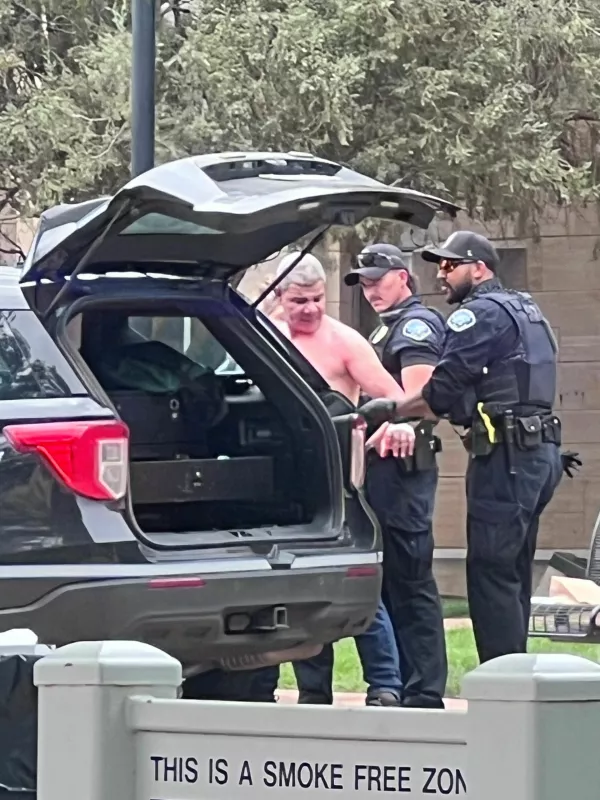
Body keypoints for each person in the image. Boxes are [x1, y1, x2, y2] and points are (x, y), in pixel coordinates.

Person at [384, 230, 564, 664]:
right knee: (513, 569)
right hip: (540, 453)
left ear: (479, 268)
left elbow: (442, 390)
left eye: (450, 265)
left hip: (507, 458)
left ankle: (501, 680)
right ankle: (516, 674)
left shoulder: (477, 314)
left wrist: (386, 410)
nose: (440, 274)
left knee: (490, 571)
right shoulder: (526, 308)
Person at [254, 250, 415, 706]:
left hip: (339, 483)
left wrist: (391, 429)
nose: (310, 309)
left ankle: (384, 685)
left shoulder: (345, 342)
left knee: (354, 581)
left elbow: (396, 400)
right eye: (298, 300)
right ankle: (311, 690)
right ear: (278, 296)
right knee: (293, 585)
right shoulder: (263, 337)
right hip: (282, 485)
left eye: (317, 299)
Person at [344, 243, 448, 709]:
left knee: (410, 580)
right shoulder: (386, 327)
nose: (370, 290)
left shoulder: (415, 325)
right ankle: (406, 685)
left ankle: (424, 692)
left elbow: (421, 399)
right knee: (388, 581)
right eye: (363, 283)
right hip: (382, 468)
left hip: (403, 469)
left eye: (377, 280)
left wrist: (402, 422)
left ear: (403, 277)